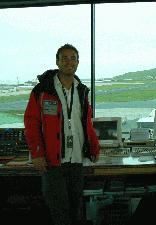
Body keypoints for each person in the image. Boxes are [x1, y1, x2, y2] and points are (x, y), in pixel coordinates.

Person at [24, 43, 100, 225]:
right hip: (52, 162)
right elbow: (31, 123)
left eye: (73, 58)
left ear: (78, 63)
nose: (69, 62)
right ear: (57, 62)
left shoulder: (81, 91)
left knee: (75, 210)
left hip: (76, 160)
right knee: (60, 213)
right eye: (64, 58)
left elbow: (86, 123)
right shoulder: (42, 90)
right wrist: (37, 153)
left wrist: (95, 147)